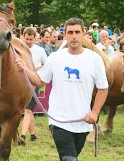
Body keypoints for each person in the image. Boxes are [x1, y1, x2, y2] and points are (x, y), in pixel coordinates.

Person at [15, 18, 108, 161]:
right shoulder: (55, 57)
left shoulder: (94, 59)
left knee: (70, 156)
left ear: (83, 33)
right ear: (64, 34)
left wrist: (95, 112)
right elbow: (40, 81)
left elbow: (103, 88)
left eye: (77, 32)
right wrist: (25, 69)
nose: (74, 36)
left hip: (83, 123)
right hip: (59, 121)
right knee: (69, 158)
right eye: (70, 32)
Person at [18, 27, 47, 146]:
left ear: (35, 38)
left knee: (28, 110)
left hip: (34, 83)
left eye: (31, 39)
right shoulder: (17, 48)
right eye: (26, 39)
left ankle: (23, 136)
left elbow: (47, 65)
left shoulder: (40, 50)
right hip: (20, 83)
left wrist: (33, 69)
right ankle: (33, 135)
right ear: (23, 37)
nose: (28, 41)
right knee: (26, 110)